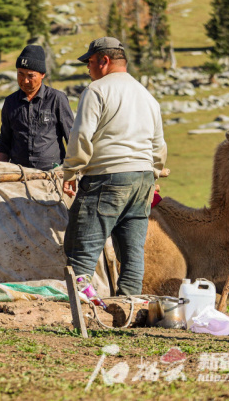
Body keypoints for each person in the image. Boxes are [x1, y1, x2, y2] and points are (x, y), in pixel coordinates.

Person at [62, 37, 167, 296]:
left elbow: (81, 136)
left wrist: (71, 171)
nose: (88, 68)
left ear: (104, 61)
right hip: (142, 178)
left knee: (81, 248)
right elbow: (159, 146)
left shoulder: (97, 90)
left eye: (89, 62)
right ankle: (128, 308)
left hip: (106, 176)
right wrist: (153, 172)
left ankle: (83, 311)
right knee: (132, 255)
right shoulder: (147, 96)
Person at [0, 43, 75, 171]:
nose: (25, 80)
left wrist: (73, 171)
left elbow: (72, 137)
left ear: (42, 74)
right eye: (20, 74)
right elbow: (4, 141)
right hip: (18, 174)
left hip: (52, 173)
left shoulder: (56, 99)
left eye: (30, 76)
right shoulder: (10, 102)